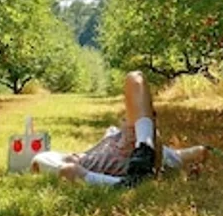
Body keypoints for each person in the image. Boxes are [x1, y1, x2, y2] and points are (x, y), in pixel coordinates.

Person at [30, 71, 210, 187]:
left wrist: (199, 153)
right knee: (134, 78)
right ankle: (131, 171)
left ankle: (142, 152)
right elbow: (185, 155)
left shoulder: (109, 141)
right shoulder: (84, 161)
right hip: (135, 155)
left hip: (138, 148)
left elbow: (186, 154)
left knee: (46, 162)